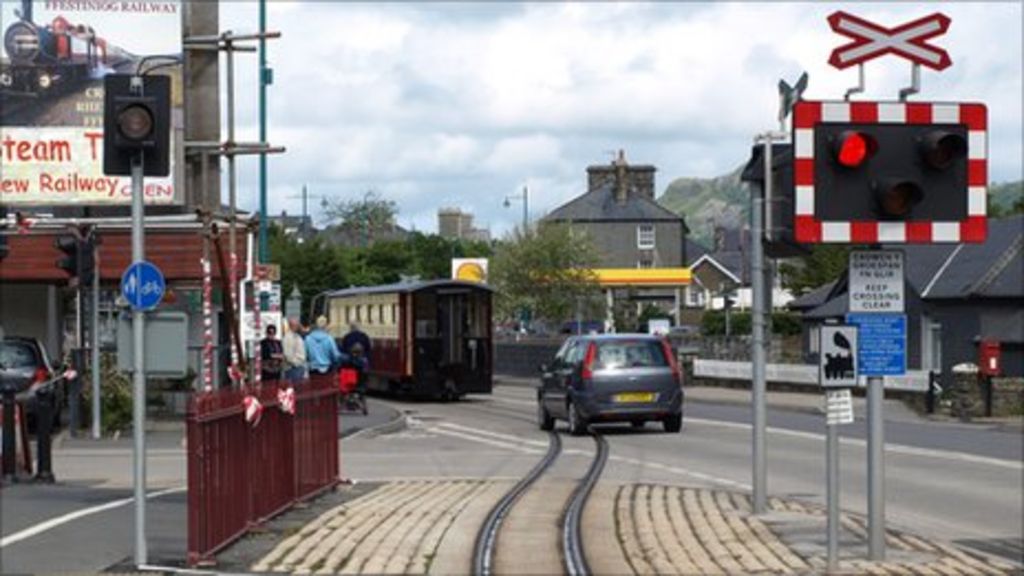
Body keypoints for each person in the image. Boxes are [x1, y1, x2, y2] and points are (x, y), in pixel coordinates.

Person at [282, 318, 307, 383]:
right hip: (293, 368)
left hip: (299, 367)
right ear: (293, 326)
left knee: (299, 388)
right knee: (295, 388)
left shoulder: (297, 336)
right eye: (298, 325)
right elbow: (288, 354)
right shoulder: (288, 337)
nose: (300, 326)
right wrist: (296, 363)